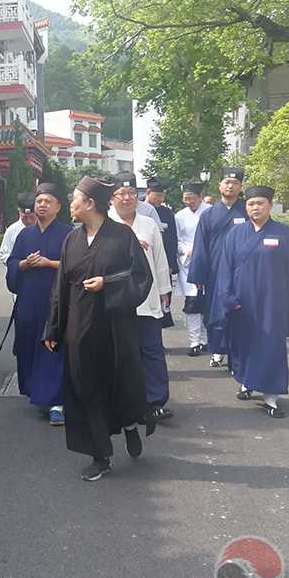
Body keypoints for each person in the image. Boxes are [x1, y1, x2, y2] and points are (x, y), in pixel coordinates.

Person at [44, 176, 155, 482]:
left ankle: (131, 424)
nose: (71, 205)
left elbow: (141, 277)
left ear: (90, 203)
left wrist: (108, 283)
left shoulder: (122, 236)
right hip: (80, 328)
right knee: (85, 388)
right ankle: (100, 454)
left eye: (74, 199)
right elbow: (60, 288)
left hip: (116, 328)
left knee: (120, 385)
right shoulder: (71, 239)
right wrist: (54, 328)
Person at [213, 186, 289, 417]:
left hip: (272, 302)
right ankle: (246, 383)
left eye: (260, 203)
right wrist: (227, 297)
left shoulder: (283, 233)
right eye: (251, 204)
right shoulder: (235, 235)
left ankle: (271, 398)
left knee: (270, 347)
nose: (255, 208)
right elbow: (225, 268)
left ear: (269, 206)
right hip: (241, 302)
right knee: (243, 345)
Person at [109, 173, 174, 421]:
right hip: (115, 302)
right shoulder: (104, 224)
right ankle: (122, 400)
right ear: (112, 198)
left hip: (147, 301)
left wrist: (164, 290)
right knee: (119, 354)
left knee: (152, 351)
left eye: (131, 194)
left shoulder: (148, 224)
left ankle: (155, 400)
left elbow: (160, 259)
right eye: (121, 194)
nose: (127, 198)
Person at [6, 183, 72, 424]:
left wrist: (49, 263)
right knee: (28, 347)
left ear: (58, 207)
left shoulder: (68, 234)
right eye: (39, 201)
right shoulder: (25, 234)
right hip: (28, 302)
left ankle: (57, 402)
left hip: (57, 302)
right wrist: (24, 264)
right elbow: (12, 265)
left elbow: (77, 266)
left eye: (48, 201)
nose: (42, 205)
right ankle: (37, 393)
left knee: (53, 348)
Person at [188, 168, 247, 370]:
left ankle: (238, 355)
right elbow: (200, 245)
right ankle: (218, 350)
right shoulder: (209, 215)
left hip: (242, 273)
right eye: (227, 182)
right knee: (216, 314)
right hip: (215, 272)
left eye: (235, 183)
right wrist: (198, 274)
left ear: (241, 187)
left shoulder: (247, 211)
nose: (230, 186)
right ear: (220, 185)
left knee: (240, 314)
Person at [175, 182, 211, 356]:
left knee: (207, 304)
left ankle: (206, 339)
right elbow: (177, 240)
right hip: (188, 264)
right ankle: (194, 340)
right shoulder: (179, 216)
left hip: (210, 263)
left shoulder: (211, 211)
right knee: (192, 304)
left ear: (200, 196)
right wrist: (186, 249)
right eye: (185, 199)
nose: (188, 202)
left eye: (191, 198)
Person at [0, 192, 38, 264]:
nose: (29, 221)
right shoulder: (12, 230)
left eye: (32, 217)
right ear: (19, 212)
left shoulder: (43, 228)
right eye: (25, 218)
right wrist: (18, 264)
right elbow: (4, 254)